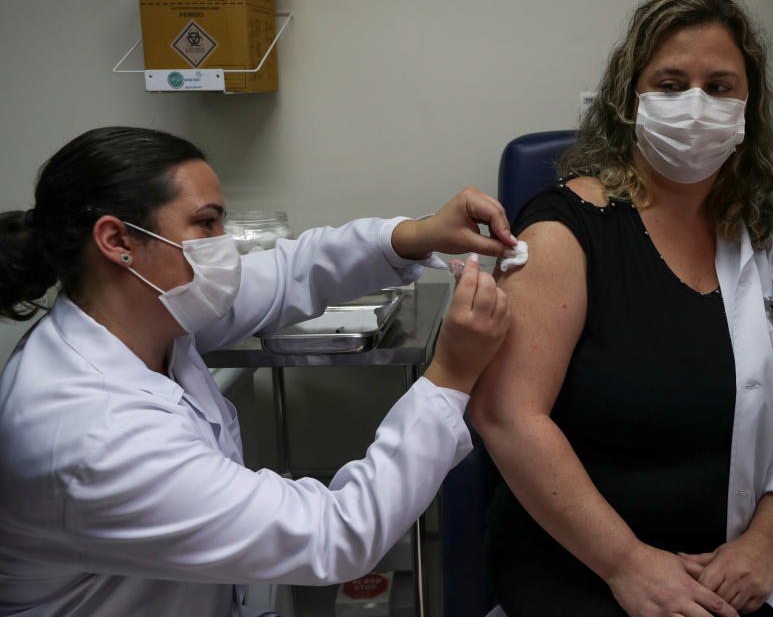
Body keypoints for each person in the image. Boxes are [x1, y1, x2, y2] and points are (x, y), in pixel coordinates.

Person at [469, 0, 773, 617]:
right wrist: (627, 562)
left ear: (748, 108)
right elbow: (508, 415)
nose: (697, 106)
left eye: (721, 86)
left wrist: (766, 542)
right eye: (671, 84)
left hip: (740, 556)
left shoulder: (766, 246)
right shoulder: (566, 234)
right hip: (585, 559)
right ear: (630, 101)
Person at [0, 126, 513, 616]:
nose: (223, 245)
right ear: (118, 241)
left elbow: (288, 273)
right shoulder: (92, 437)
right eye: (206, 223)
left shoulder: (146, 316)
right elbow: (335, 536)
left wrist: (416, 235)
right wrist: (450, 375)